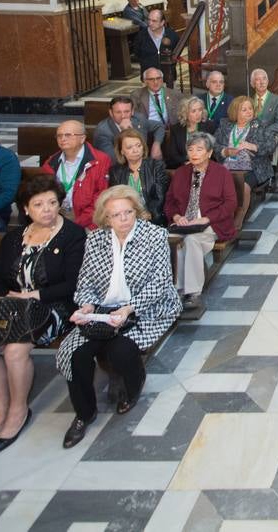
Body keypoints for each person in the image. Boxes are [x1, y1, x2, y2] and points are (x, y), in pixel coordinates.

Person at [0, 175, 86, 454]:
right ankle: (1, 410)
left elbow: (72, 284)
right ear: (25, 209)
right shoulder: (13, 239)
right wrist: (3, 299)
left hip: (52, 306)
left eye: (52, 203)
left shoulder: (72, 235)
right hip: (13, 305)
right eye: (39, 204)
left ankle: (18, 411)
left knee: (15, 350)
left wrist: (31, 296)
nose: (47, 209)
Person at [58, 186, 179, 447]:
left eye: (128, 212)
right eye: (116, 215)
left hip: (145, 309)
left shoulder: (155, 235)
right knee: (75, 354)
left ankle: (134, 385)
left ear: (136, 212)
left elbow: (160, 283)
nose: (124, 219)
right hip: (102, 310)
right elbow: (86, 280)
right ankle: (84, 413)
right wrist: (87, 305)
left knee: (120, 351)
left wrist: (128, 309)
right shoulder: (95, 239)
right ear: (106, 218)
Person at [164, 131, 237, 320]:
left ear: (209, 153)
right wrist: (177, 215)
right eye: (190, 149)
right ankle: (177, 289)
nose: (194, 153)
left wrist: (206, 218)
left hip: (212, 223)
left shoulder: (221, 173)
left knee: (193, 241)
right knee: (175, 244)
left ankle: (192, 293)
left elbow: (230, 203)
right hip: (184, 223)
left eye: (199, 149)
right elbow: (170, 201)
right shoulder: (181, 173)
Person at [41, 121, 111, 228]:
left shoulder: (100, 161)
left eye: (68, 135)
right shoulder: (51, 163)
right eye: (59, 135)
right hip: (57, 217)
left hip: (89, 221)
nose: (62, 139)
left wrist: (77, 223)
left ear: (82, 138)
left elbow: (101, 199)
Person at [247, 68, 278, 190]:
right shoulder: (247, 101)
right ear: (252, 84)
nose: (261, 82)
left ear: (268, 81)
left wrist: (264, 132)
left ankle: (271, 174)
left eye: (264, 79)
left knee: (270, 141)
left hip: (272, 133)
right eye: (257, 79)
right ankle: (251, 172)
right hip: (251, 134)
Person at [93, 96, 165, 161]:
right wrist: (125, 132)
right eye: (118, 112)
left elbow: (159, 126)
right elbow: (114, 159)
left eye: (126, 111)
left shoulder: (138, 119)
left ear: (132, 111)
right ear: (111, 113)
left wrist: (156, 144)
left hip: (145, 164)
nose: (123, 116)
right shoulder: (103, 131)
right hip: (121, 170)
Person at [163, 96, 216, 170]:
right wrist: (187, 162)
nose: (198, 114)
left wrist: (200, 162)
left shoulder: (209, 126)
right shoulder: (176, 129)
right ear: (185, 113)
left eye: (200, 110)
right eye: (193, 111)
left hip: (204, 166)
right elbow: (172, 154)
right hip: (183, 166)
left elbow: (213, 151)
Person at [132, 8, 180, 84]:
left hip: (168, 77)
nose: (150, 23)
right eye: (149, 20)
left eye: (154, 21)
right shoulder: (141, 36)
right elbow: (137, 53)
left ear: (162, 22)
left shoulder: (172, 35)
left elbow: (176, 52)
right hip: (148, 78)